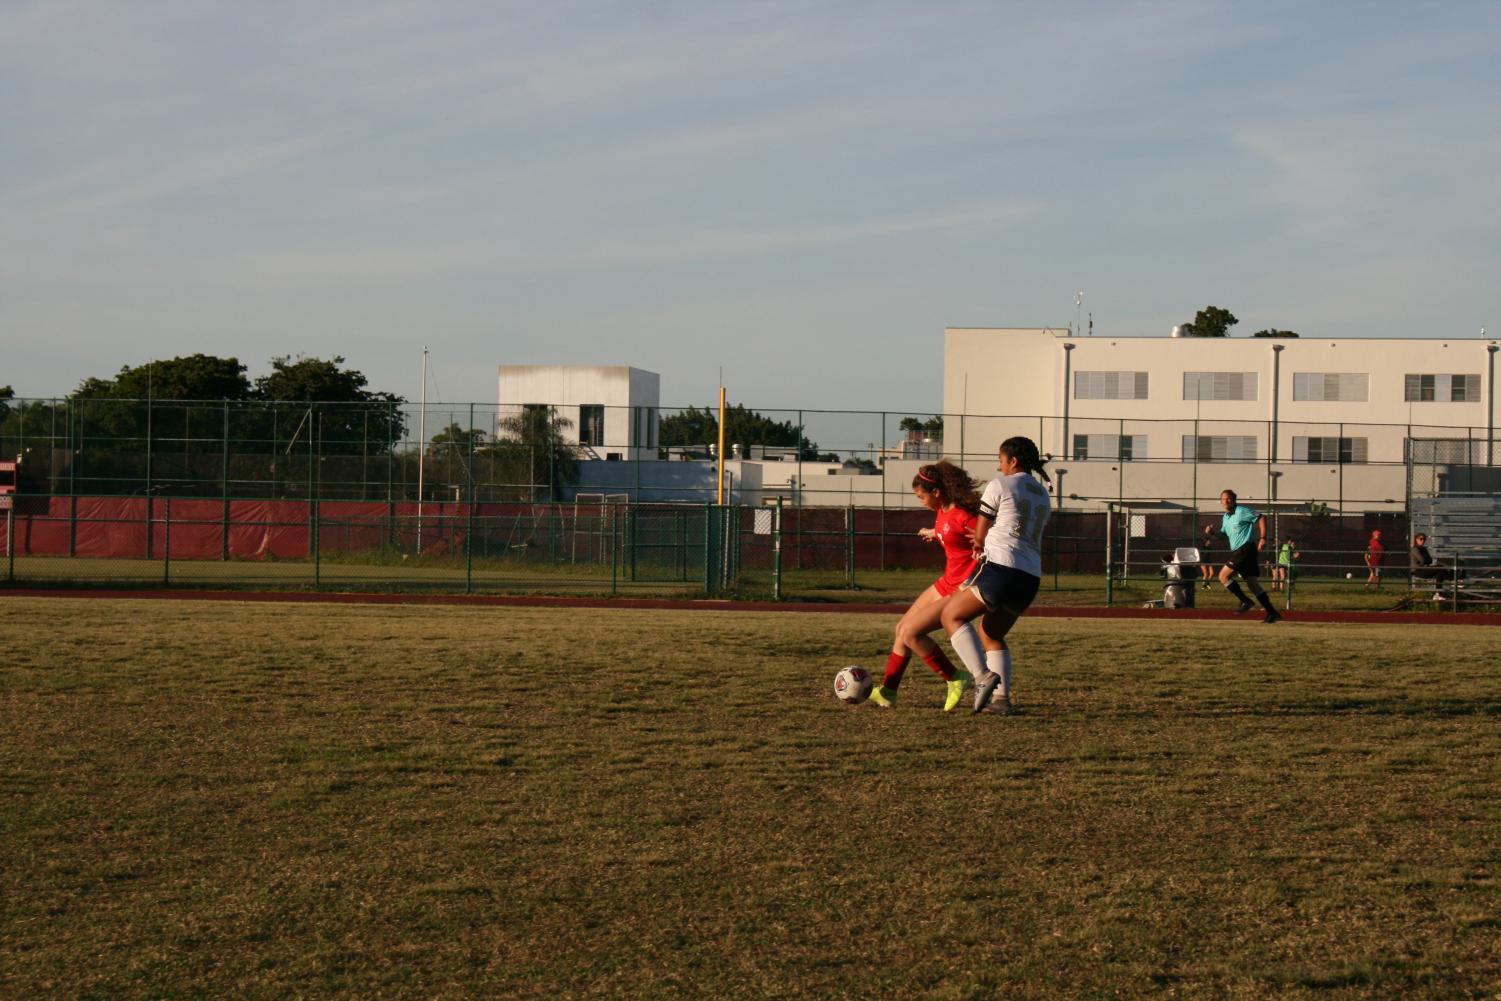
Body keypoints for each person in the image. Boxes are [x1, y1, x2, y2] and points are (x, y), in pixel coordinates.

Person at [936, 436, 1054, 715]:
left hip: (1002, 566)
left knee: (950, 616)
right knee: (991, 633)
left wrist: (978, 542)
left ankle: (981, 676)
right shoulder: (1042, 493)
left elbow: (982, 526)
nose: (999, 466)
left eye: (1001, 460)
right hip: (1030, 577)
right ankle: (1001, 701)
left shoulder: (1000, 484)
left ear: (1013, 460)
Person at [868, 461, 984, 712]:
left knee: (911, 633)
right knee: (901, 630)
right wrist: (935, 532)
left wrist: (982, 554)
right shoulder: (943, 510)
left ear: (937, 492)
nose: (921, 501)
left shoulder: (965, 516)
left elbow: (989, 537)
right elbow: (949, 529)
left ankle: (955, 678)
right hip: (945, 582)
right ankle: (888, 692)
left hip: (959, 589)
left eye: (921, 497)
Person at [1205, 489, 1281, 623]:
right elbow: (1223, 535)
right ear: (1221, 501)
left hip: (1245, 549)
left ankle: (1246, 601)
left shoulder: (1241, 511)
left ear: (1234, 500)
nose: (1226, 501)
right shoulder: (1226, 517)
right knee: (1253, 584)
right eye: (1223, 499)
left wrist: (1263, 538)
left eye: (1229, 498)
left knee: (1223, 576)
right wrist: (1212, 533)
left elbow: (1261, 517)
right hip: (1241, 551)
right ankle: (1272, 612)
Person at [1199, 525, 1217, 589]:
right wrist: (1206, 531)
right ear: (1206, 542)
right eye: (1209, 541)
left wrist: (1210, 529)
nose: (1210, 542)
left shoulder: (1210, 547)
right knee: (1206, 573)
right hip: (1203, 561)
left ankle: (1207, 583)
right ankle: (1203, 586)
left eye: (1210, 541)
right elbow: (1205, 536)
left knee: (1212, 573)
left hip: (1209, 561)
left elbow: (1208, 536)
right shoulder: (1202, 547)